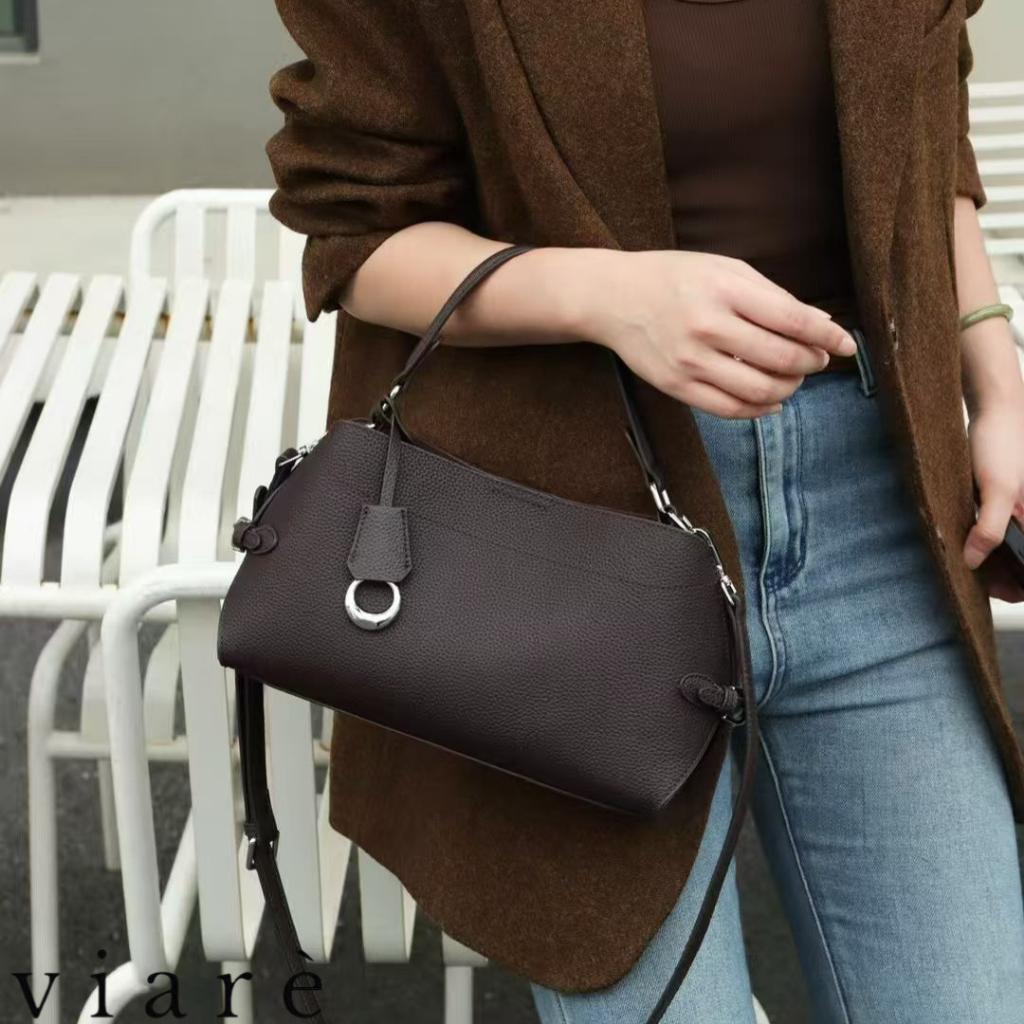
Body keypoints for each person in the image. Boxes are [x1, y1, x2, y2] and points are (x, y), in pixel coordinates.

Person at [263, 0, 1024, 1019]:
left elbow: (927, 128)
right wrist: (607, 296)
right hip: (570, 533)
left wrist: (997, 378)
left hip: (878, 510)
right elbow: (358, 235)